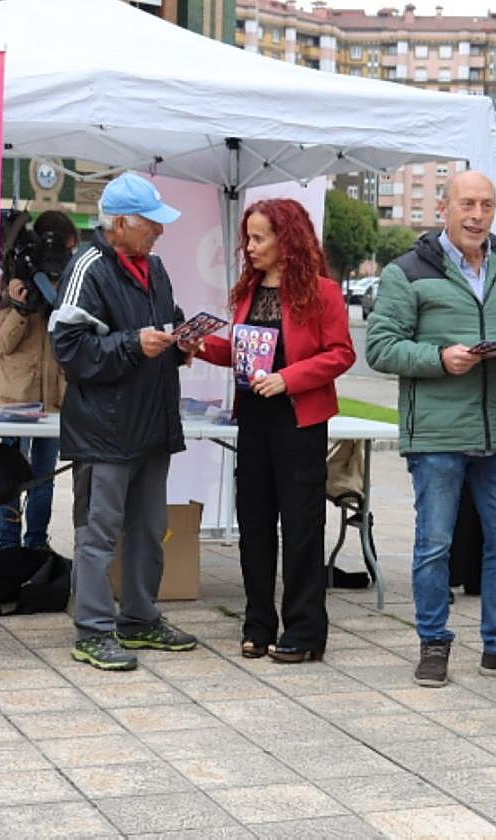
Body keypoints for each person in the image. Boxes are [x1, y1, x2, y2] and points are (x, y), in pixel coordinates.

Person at [366, 170, 496, 688]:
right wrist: (438, 357)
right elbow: (381, 347)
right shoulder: (406, 271)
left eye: (487, 205)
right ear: (444, 208)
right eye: (468, 204)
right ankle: (433, 644)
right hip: (436, 432)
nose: (477, 215)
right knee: (435, 543)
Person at [192, 199, 355, 663]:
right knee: (255, 526)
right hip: (255, 421)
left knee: (302, 528)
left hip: (299, 420)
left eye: (259, 237)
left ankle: (304, 631)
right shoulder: (249, 290)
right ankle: (257, 623)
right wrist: (202, 346)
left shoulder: (323, 292)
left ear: (288, 240)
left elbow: (341, 354)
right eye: (249, 237)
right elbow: (244, 354)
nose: (250, 246)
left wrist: (290, 377)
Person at [51, 172, 198, 671]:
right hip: (104, 431)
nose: (159, 231)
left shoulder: (155, 268)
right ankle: (93, 630)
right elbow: (69, 349)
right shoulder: (87, 266)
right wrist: (134, 344)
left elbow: (165, 322)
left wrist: (180, 345)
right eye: (150, 223)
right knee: (99, 531)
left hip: (151, 426)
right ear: (118, 223)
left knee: (150, 528)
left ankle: (140, 618)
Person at [0, 210, 77, 552]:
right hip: (16, 401)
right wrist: (19, 307)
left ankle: (37, 546)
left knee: (44, 479)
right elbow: (2, 344)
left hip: (54, 399)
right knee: (9, 477)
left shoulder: (71, 284)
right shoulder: (15, 277)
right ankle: (10, 547)